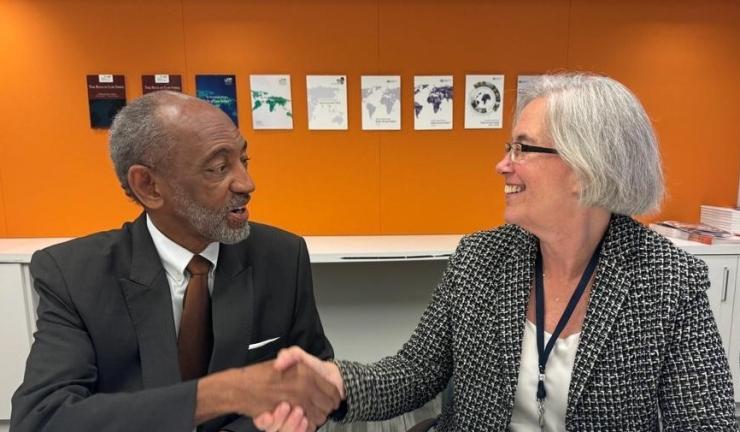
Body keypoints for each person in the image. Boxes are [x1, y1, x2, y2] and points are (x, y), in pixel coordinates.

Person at [255, 73, 737, 431]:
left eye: (523, 149)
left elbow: (707, 420)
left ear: (587, 168)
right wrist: (335, 384)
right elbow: (415, 372)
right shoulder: (481, 259)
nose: (502, 165)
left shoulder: (667, 278)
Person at [10, 91, 340, 432]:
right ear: (148, 186)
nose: (246, 183)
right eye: (218, 167)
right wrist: (224, 393)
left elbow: (313, 385)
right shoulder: (73, 275)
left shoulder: (283, 256)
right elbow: (42, 420)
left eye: (245, 160)